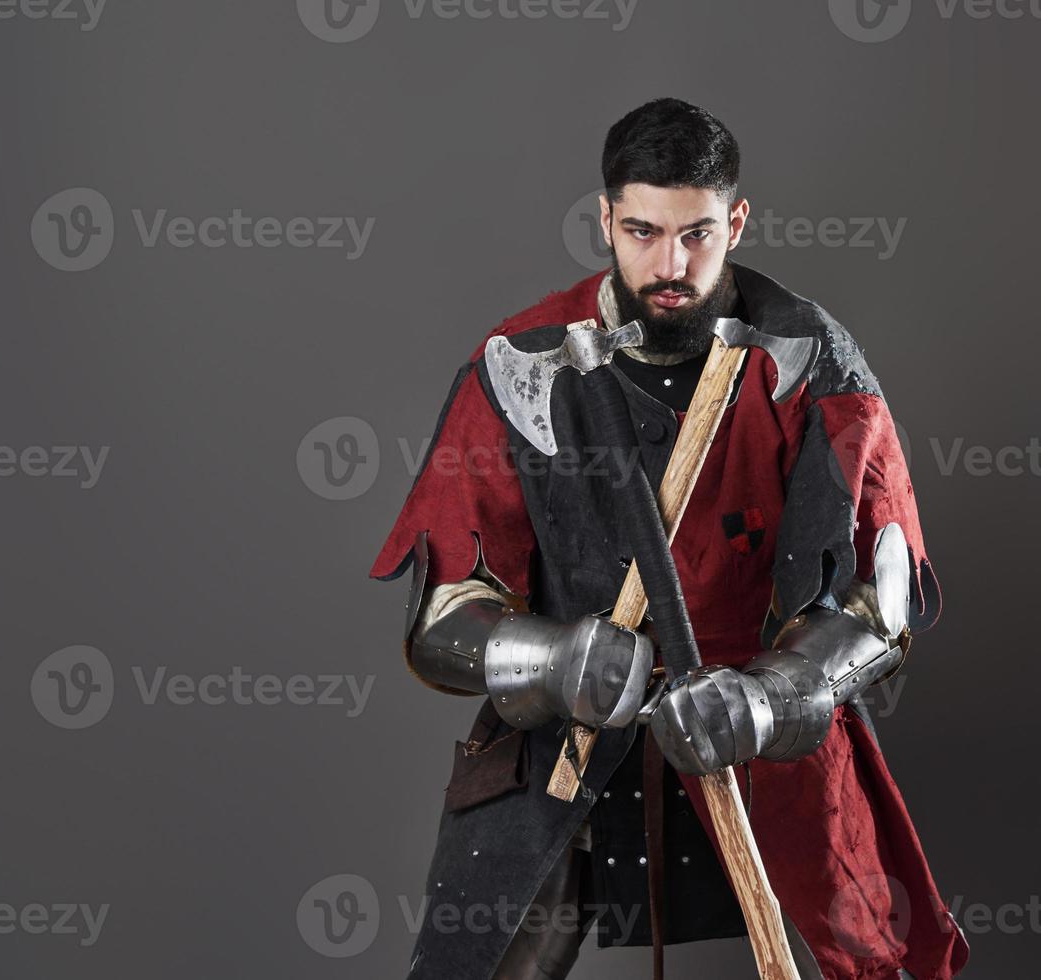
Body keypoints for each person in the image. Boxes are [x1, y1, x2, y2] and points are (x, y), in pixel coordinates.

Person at [370, 97, 968, 980]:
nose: (671, 264)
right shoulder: (518, 363)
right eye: (643, 232)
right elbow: (443, 617)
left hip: (759, 716)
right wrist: (550, 658)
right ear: (605, 219)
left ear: (737, 221)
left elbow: (878, 602)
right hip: (570, 728)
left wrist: (771, 699)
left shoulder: (812, 363)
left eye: (697, 234)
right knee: (479, 961)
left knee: (867, 959)